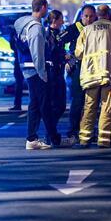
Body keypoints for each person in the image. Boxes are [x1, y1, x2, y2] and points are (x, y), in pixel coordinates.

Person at [74, 4, 111, 148]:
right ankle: (103, 141)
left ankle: (84, 139)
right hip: (110, 76)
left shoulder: (86, 30)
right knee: (107, 107)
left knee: (89, 107)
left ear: (97, 15)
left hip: (91, 75)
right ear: (109, 15)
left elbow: (78, 54)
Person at [14, 0, 58, 149]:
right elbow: (37, 53)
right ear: (43, 7)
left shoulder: (25, 25)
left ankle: (33, 138)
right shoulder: (36, 28)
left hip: (27, 69)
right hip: (35, 71)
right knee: (44, 105)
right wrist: (43, 73)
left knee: (35, 104)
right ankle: (50, 138)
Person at [64, 5, 96, 144]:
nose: (88, 19)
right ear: (81, 16)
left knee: (91, 103)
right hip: (77, 69)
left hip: (93, 69)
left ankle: (88, 131)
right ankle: (73, 132)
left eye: (91, 16)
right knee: (77, 102)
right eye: (86, 16)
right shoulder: (73, 29)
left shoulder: (97, 28)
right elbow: (57, 42)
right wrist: (67, 58)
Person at [44, 9, 70, 146]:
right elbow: (51, 52)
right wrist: (62, 56)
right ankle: (51, 135)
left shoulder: (58, 34)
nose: (63, 22)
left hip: (58, 72)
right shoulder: (48, 34)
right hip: (52, 73)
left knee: (60, 105)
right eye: (61, 19)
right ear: (54, 20)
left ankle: (51, 134)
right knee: (56, 105)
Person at [8, 25, 25, 111]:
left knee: (20, 84)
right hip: (19, 62)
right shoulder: (17, 36)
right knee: (19, 84)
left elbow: (20, 48)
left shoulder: (21, 37)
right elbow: (12, 47)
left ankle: (17, 105)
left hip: (22, 62)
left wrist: (14, 37)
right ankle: (17, 105)